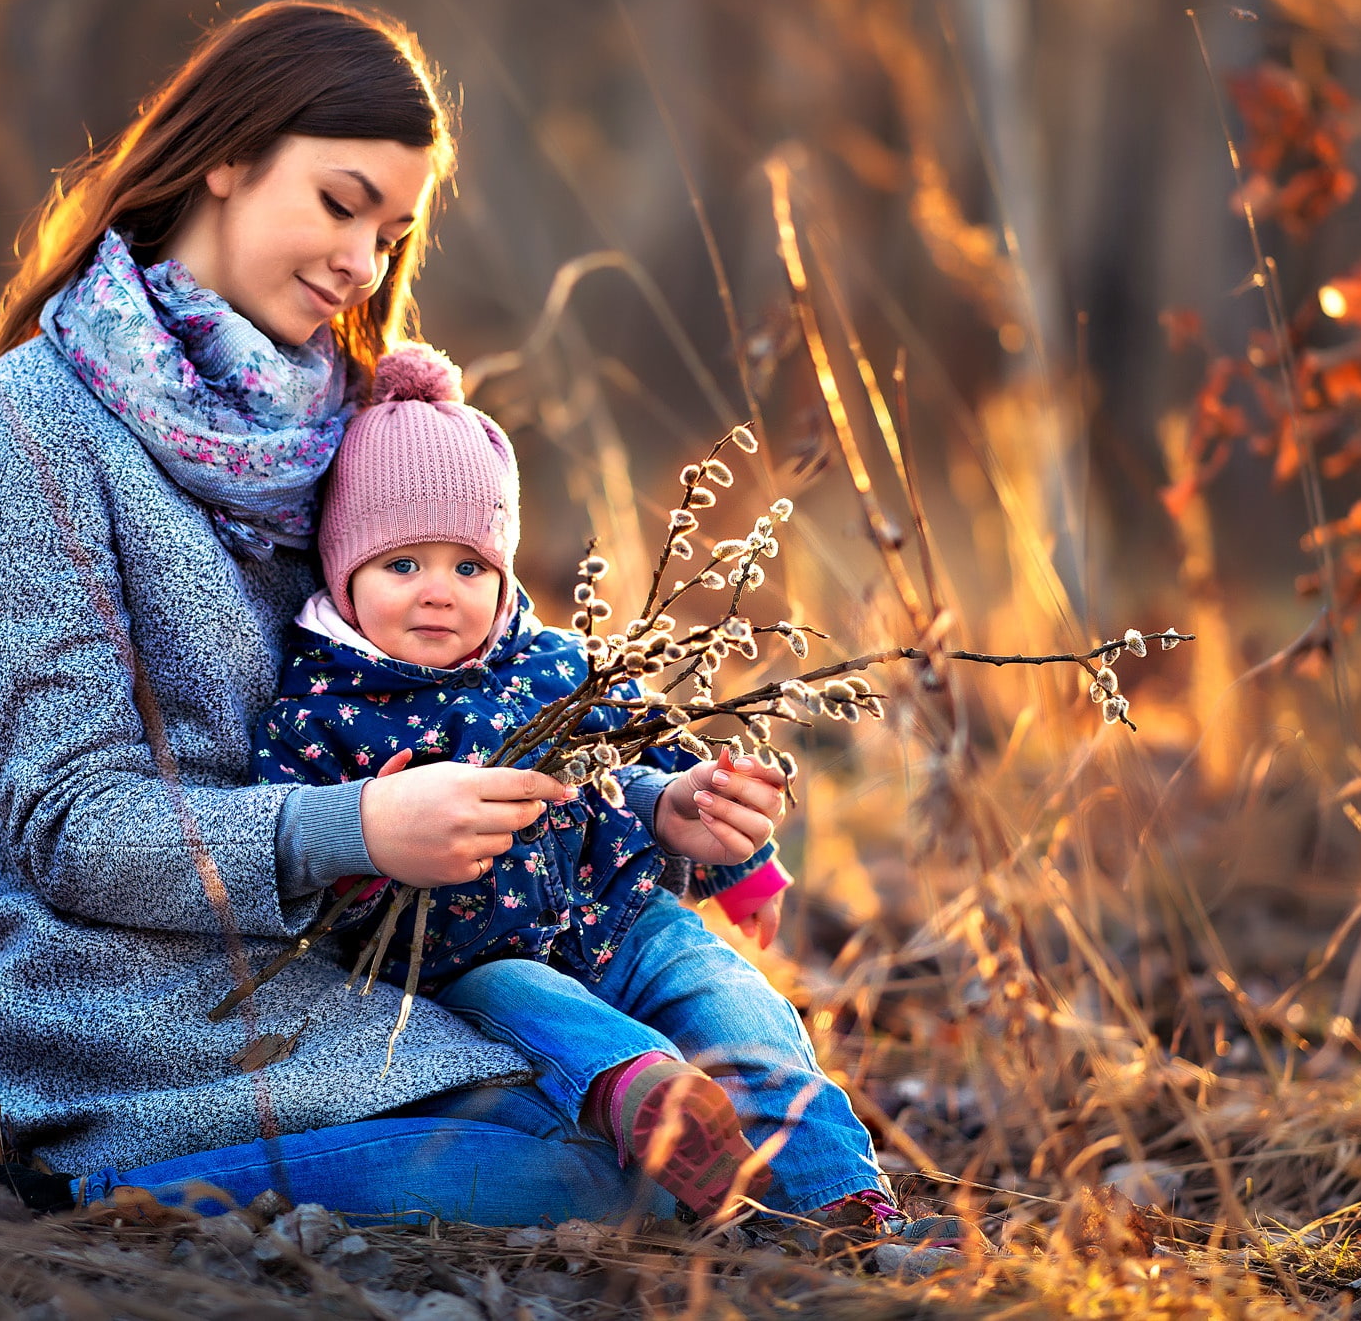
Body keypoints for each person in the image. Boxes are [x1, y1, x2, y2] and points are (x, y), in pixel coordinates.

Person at [0, 0, 957, 1255]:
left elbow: (495, 699)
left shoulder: (368, 426)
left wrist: (658, 807)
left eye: (391, 233)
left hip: (398, 966)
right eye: (340, 203)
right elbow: (62, 823)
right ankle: (118, 1187)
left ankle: (839, 1211)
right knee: (614, 1164)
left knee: (679, 1101)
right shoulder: (32, 425)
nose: (362, 264)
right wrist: (355, 827)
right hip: (150, 1010)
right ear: (226, 156)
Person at [248, 342, 908, 1230]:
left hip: (625, 917)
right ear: (343, 570)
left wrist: (733, 857)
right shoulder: (318, 709)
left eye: (469, 566)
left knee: (738, 1002)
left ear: (503, 571)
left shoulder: (555, 665)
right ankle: (651, 1099)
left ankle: (849, 1202)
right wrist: (369, 844)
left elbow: (650, 756)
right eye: (403, 565)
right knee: (537, 1004)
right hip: (469, 960)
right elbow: (293, 866)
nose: (439, 592)